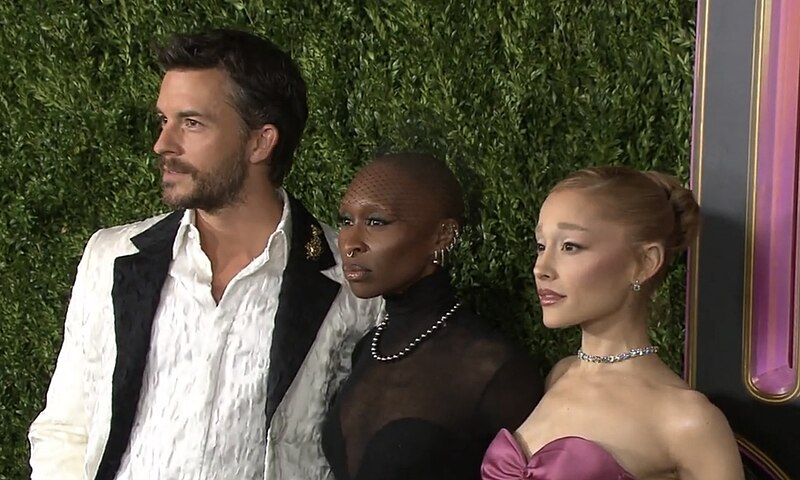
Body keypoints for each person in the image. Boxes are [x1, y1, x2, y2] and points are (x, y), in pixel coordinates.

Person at [28, 29, 380, 480]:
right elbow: (65, 428)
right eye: (164, 120)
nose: (163, 144)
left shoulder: (351, 280)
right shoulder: (112, 258)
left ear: (260, 142)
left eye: (191, 123)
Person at [481, 165, 744, 479]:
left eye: (570, 246)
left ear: (645, 263)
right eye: (541, 245)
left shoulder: (686, 420)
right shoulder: (561, 375)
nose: (541, 268)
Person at [321, 152, 545, 480]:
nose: (350, 244)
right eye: (345, 221)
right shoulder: (368, 348)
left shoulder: (493, 370)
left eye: (376, 222)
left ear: (442, 236)